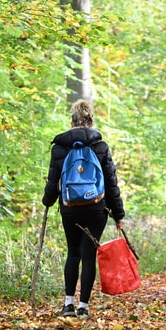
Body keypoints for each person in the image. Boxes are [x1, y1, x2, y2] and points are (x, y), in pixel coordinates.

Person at [42, 99, 125, 318]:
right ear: (90, 121)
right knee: (89, 255)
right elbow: (110, 181)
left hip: (70, 207)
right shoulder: (100, 146)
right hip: (97, 207)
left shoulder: (60, 147)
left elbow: (53, 181)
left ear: (72, 121)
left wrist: (47, 201)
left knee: (73, 253)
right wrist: (118, 213)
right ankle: (83, 307)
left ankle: (68, 304)